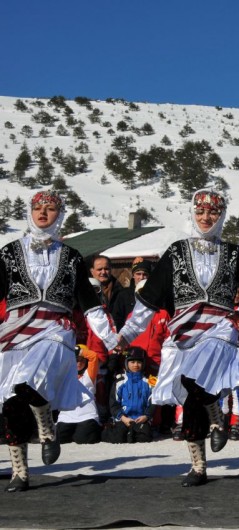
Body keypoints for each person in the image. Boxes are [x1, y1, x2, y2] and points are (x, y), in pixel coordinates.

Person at [116, 189, 239, 487]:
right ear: (192, 213)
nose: (206, 217)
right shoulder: (177, 252)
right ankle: (201, 458)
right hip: (184, 332)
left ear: (222, 216)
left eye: (213, 212)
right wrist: (128, 333)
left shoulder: (234, 254)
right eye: (201, 211)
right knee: (190, 393)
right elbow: (150, 297)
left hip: (221, 328)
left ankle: (212, 426)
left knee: (192, 382)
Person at [0, 190, 117, 492]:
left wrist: (110, 336)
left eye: (50, 208)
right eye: (38, 208)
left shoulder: (71, 257)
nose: (43, 213)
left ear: (60, 215)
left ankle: (46, 428)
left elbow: (89, 302)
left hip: (55, 329)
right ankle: (20, 471)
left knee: (28, 381)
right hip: (16, 330)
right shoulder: (9, 252)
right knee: (12, 404)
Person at [102, 347, 155, 444]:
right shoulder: (120, 382)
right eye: (132, 362)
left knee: (144, 437)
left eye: (139, 362)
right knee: (118, 437)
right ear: (127, 363)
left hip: (140, 419)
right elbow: (113, 404)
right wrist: (122, 417)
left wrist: (146, 416)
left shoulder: (149, 382)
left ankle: (132, 432)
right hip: (123, 418)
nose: (136, 365)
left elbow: (153, 403)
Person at [56, 346, 102, 445]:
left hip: (87, 415)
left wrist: (79, 351)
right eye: (76, 360)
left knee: (84, 439)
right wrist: (69, 350)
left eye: (82, 360)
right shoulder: (64, 374)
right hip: (66, 416)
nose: (79, 363)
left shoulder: (89, 375)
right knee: (59, 439)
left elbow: (93, 356)